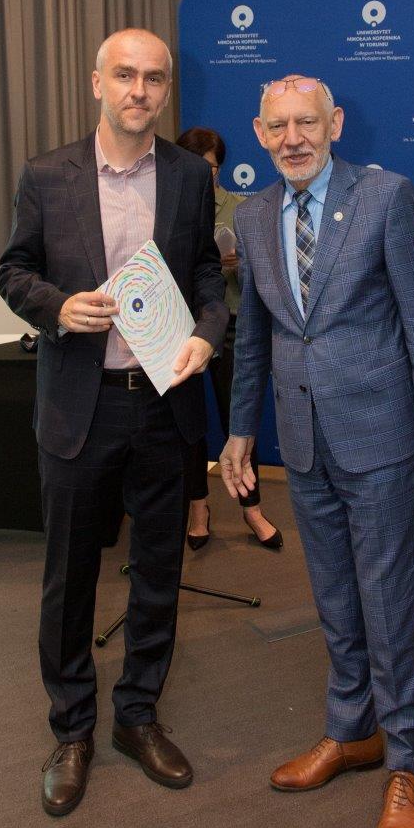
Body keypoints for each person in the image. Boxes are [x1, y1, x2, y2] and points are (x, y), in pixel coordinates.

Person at [220, 75, 414, 828]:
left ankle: (408, 762)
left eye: (307, 123)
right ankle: (351, 730)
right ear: (260, 133)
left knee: (388, 602)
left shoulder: (386, 198)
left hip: (380, 434)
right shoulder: (253, 217)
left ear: (335, 123)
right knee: (334, 597)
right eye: (278, 126)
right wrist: (241, 430)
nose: (293, 138)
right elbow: (254, 337)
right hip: (303, 440)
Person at [0, 28, 228, 816]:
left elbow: (207, 275)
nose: (139, 89)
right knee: (70, 579)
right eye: (124, 75)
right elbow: (13, 270)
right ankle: (72, 730)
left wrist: (207, 335)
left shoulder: (190, 176)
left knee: (158, 572)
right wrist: (57, 307)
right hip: (78, 407)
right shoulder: (47, 174)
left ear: (167, 89)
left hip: (163, 404)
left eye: (154, 78)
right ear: (96, 83)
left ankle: (136, 715)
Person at [175, 126, 282, 551]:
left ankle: (252, 509)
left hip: (232, 325)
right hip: (181, 329)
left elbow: (269, 277)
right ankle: (198, 508)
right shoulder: (167, 208)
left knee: (238, 421)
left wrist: (242, 266)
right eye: (194, 167)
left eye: (212, 168)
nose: (205, 176)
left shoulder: (242, 210)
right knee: (188, 426)